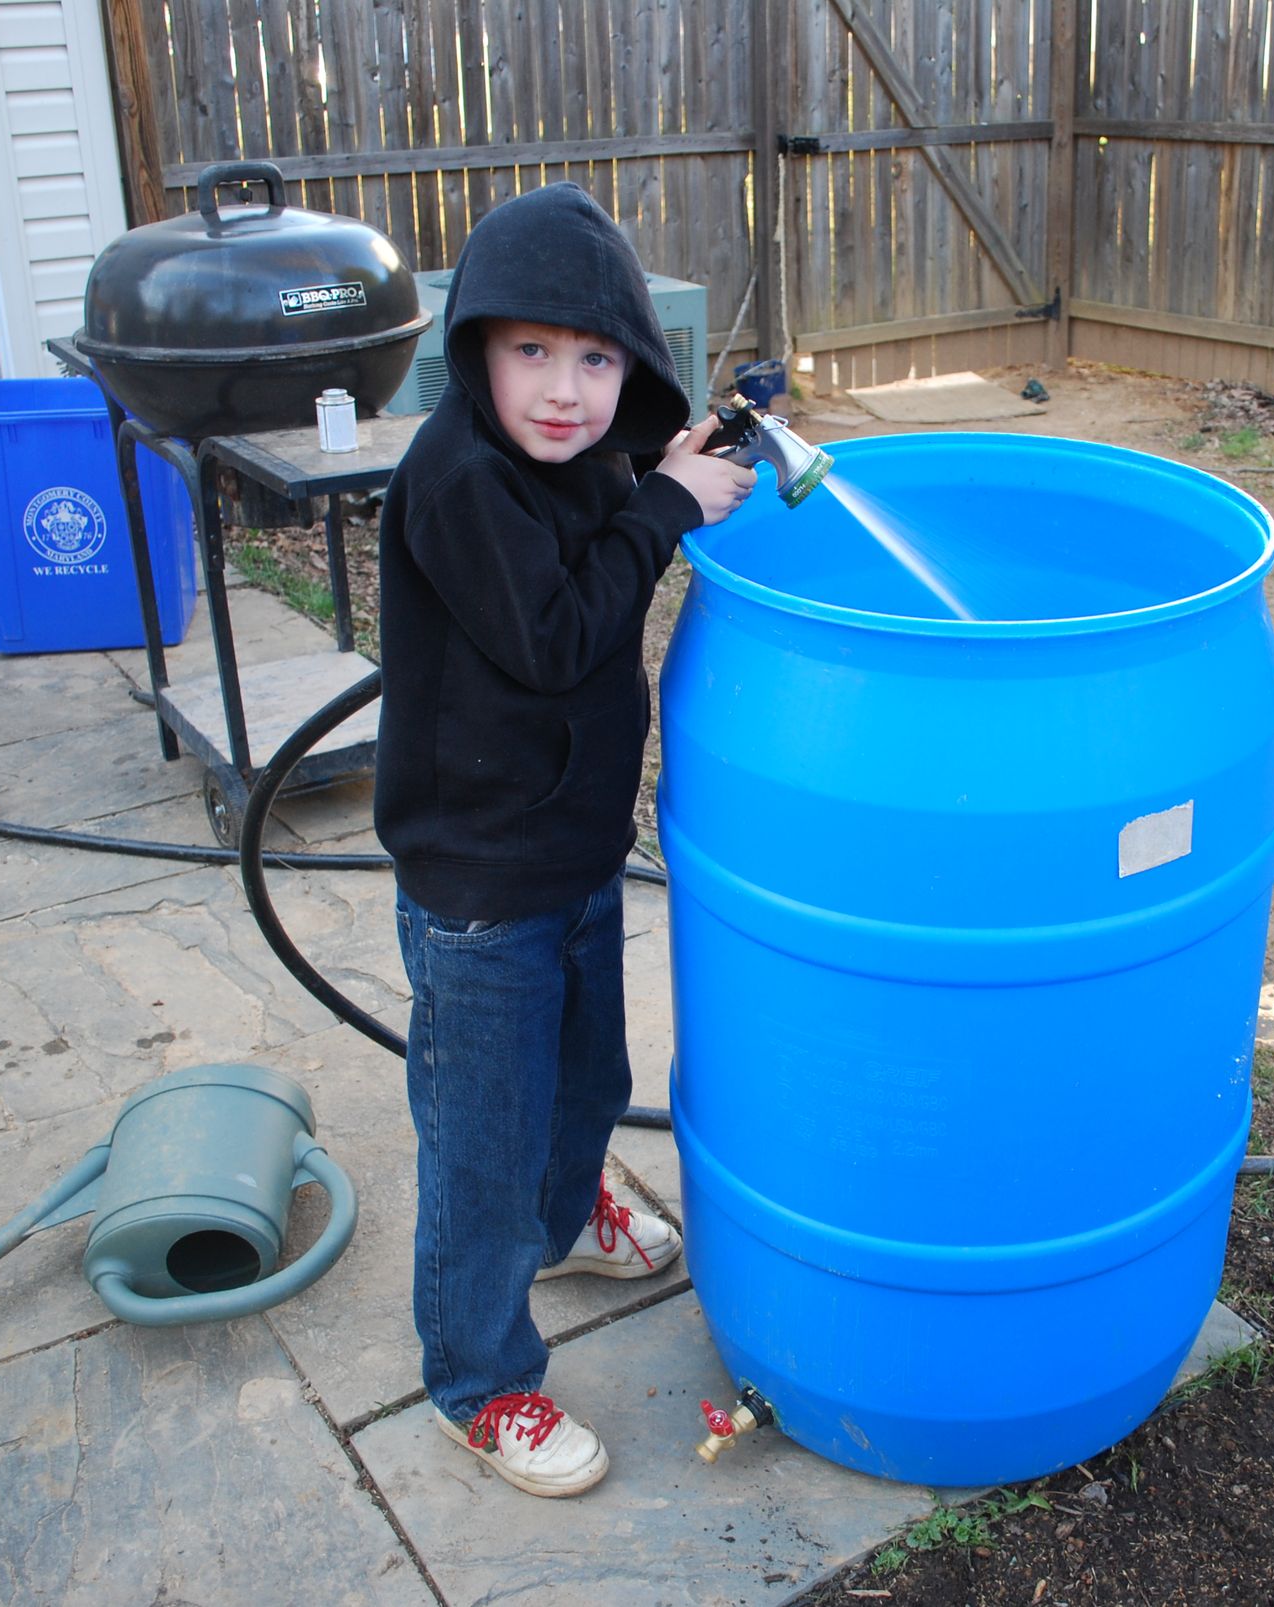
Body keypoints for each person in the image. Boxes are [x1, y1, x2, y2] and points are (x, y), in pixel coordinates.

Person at [372, 182, 754, 1498]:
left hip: (574, 855)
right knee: (480, 1139)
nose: (564, 388)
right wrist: (666, 513)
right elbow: (550, 637)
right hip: (481, 888)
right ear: (474, 347)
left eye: (598, 360)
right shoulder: (459, 477)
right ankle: (476, 1381)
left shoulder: (579, 462)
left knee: (586, 1076)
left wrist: (653, 474)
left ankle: (566, 1213)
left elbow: (598, 527)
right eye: (532, 350)